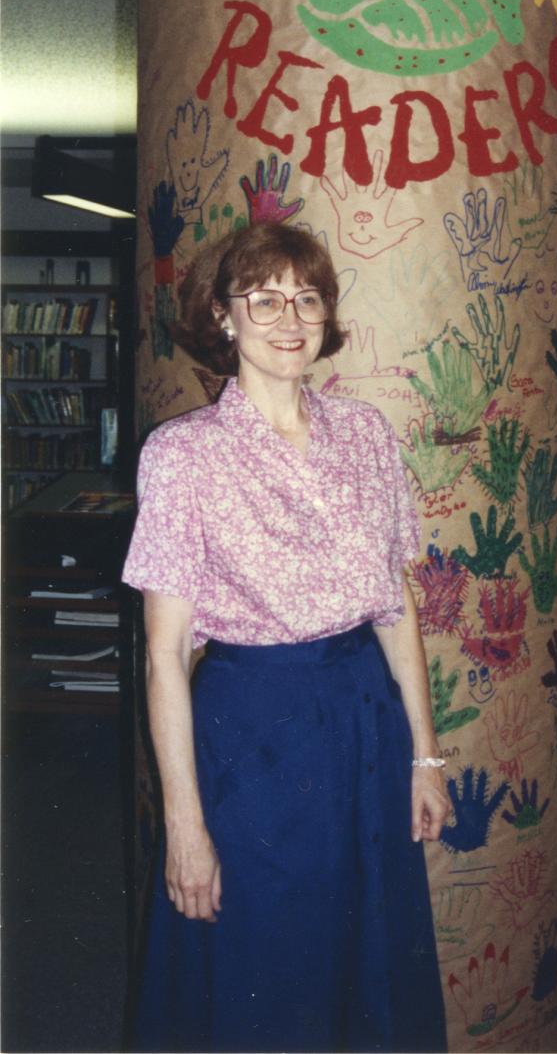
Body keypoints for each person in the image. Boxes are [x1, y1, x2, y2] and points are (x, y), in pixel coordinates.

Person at [122, 222, 449, 1054]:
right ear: (224, 319)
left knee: (370, 956)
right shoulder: (181, 457)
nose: (289, 318)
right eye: (262, 300)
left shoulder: (367, 435)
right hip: (252, 737)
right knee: (265, 964)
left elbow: (394, 602)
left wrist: (425, 754)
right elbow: (163, 654)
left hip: (364, 725)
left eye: (307, 297)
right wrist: (184, 827)